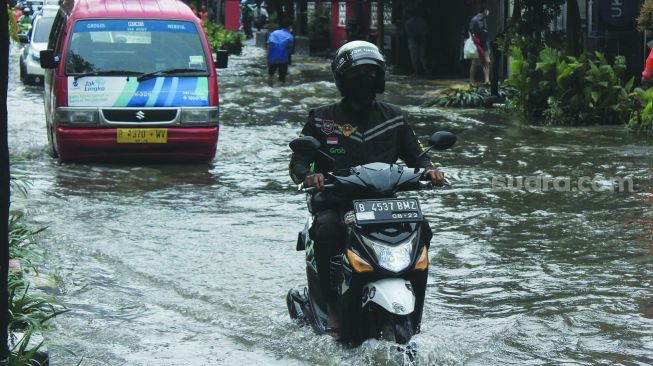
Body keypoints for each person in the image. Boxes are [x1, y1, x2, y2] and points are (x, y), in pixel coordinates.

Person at [289, 41, 445, 332]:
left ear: (381, 78)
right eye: (358, 75)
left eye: (372, 75)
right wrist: (310, 177)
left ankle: (416, 311)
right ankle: (334, 306)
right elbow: (298, 161)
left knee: (423, 228)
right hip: (337, 203)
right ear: (342, 79)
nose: (366, 81)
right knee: (326, 231)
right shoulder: (322, 119)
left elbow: (418, 156)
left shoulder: (394, 117)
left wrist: (431, 172)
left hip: (385, 206)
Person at [266, 19, 294, 87]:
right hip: (283, 59)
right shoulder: (290, 36)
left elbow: (269, 45)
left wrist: (267, 57)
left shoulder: (274, 33)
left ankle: (270, 88)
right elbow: (289, 50)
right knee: (282, 77)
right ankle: (278, 90)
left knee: (270, 74)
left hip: (272, 58)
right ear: (289, 27)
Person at [469, 5, 490, 86]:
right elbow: (471, 31)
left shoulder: (484, 19)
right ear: (484, 10)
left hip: (484, 44)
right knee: (474, 63)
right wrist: (475, 41)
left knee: (487, 62)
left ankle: (487, 80)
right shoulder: (475, 20)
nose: (488, 12)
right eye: (487, 10)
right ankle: (471, 81)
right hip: (477, 44)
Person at [404, 10, 430, 76]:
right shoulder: (422, 20)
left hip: (413, 41)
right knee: (422, 55)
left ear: (408, 15)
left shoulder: (408, 23)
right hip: (422, 39)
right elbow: (426, 30)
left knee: (414, 57)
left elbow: (409, 33)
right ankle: (426, 69)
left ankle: (416, 72)